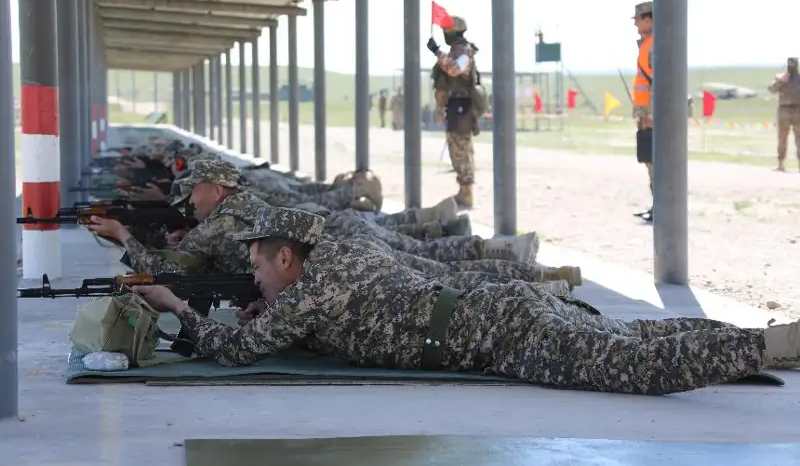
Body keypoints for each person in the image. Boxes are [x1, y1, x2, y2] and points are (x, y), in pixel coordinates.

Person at [134, 207, 800, 396]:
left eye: (259, 264)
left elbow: (233, 351)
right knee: (632, 341)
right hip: (499, 307)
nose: (256, 279)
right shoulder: (339, 263)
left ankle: (771, 344)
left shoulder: (310, 295)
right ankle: (764, 340)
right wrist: (275, 313)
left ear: (286, 257)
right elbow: (324, 316)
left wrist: (176, 308)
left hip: (500, 334)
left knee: (638, 370)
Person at [88, 158, 268, 275]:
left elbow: (163, 273)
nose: (191, 201)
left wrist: (120, 234)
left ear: (216, 191)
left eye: (194, 191)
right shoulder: (253, 203)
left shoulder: (216, 226)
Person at [427, 16, 488, 209]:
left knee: (461, 148)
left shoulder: (463, 52)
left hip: (462, 107)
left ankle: (467, 192)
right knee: (456, 148)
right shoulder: (456, 51)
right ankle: (463, 190)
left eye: (446, 30)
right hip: (454, 107)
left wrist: (437, 52)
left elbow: (454, 69)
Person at [631, 1, 655, 223]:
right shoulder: (647, 44)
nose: (636, 24)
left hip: (652, 115)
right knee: (650, 160)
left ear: (648, 20)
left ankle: (661, 207)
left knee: (655, 161)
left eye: (638, 19)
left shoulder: (653, 45)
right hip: (647, 113)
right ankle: (657, 205)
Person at [767, 57, 800, 172]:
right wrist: (782, 80)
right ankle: (781, 164)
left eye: (793, 65)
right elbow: (772, 90)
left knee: (799, 139)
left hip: (797, 110)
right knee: (782, 137)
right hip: (784, 110)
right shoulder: (780, 77)